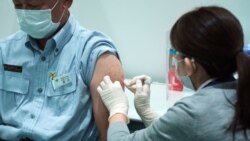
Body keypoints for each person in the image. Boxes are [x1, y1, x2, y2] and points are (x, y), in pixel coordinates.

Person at [97, 6, 250, 141]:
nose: (174, 58)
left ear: (190, 64)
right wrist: (146, 111)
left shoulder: (193, 110)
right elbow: (185, 131)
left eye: (176, 52)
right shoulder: (241, 92)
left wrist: (117, 109)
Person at [0, 0, 124, 140]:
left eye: (34, 5)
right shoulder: (4, 51)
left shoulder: (95, 55)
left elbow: (109, 136)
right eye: (18, 5)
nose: (25, 12)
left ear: (66, 2)